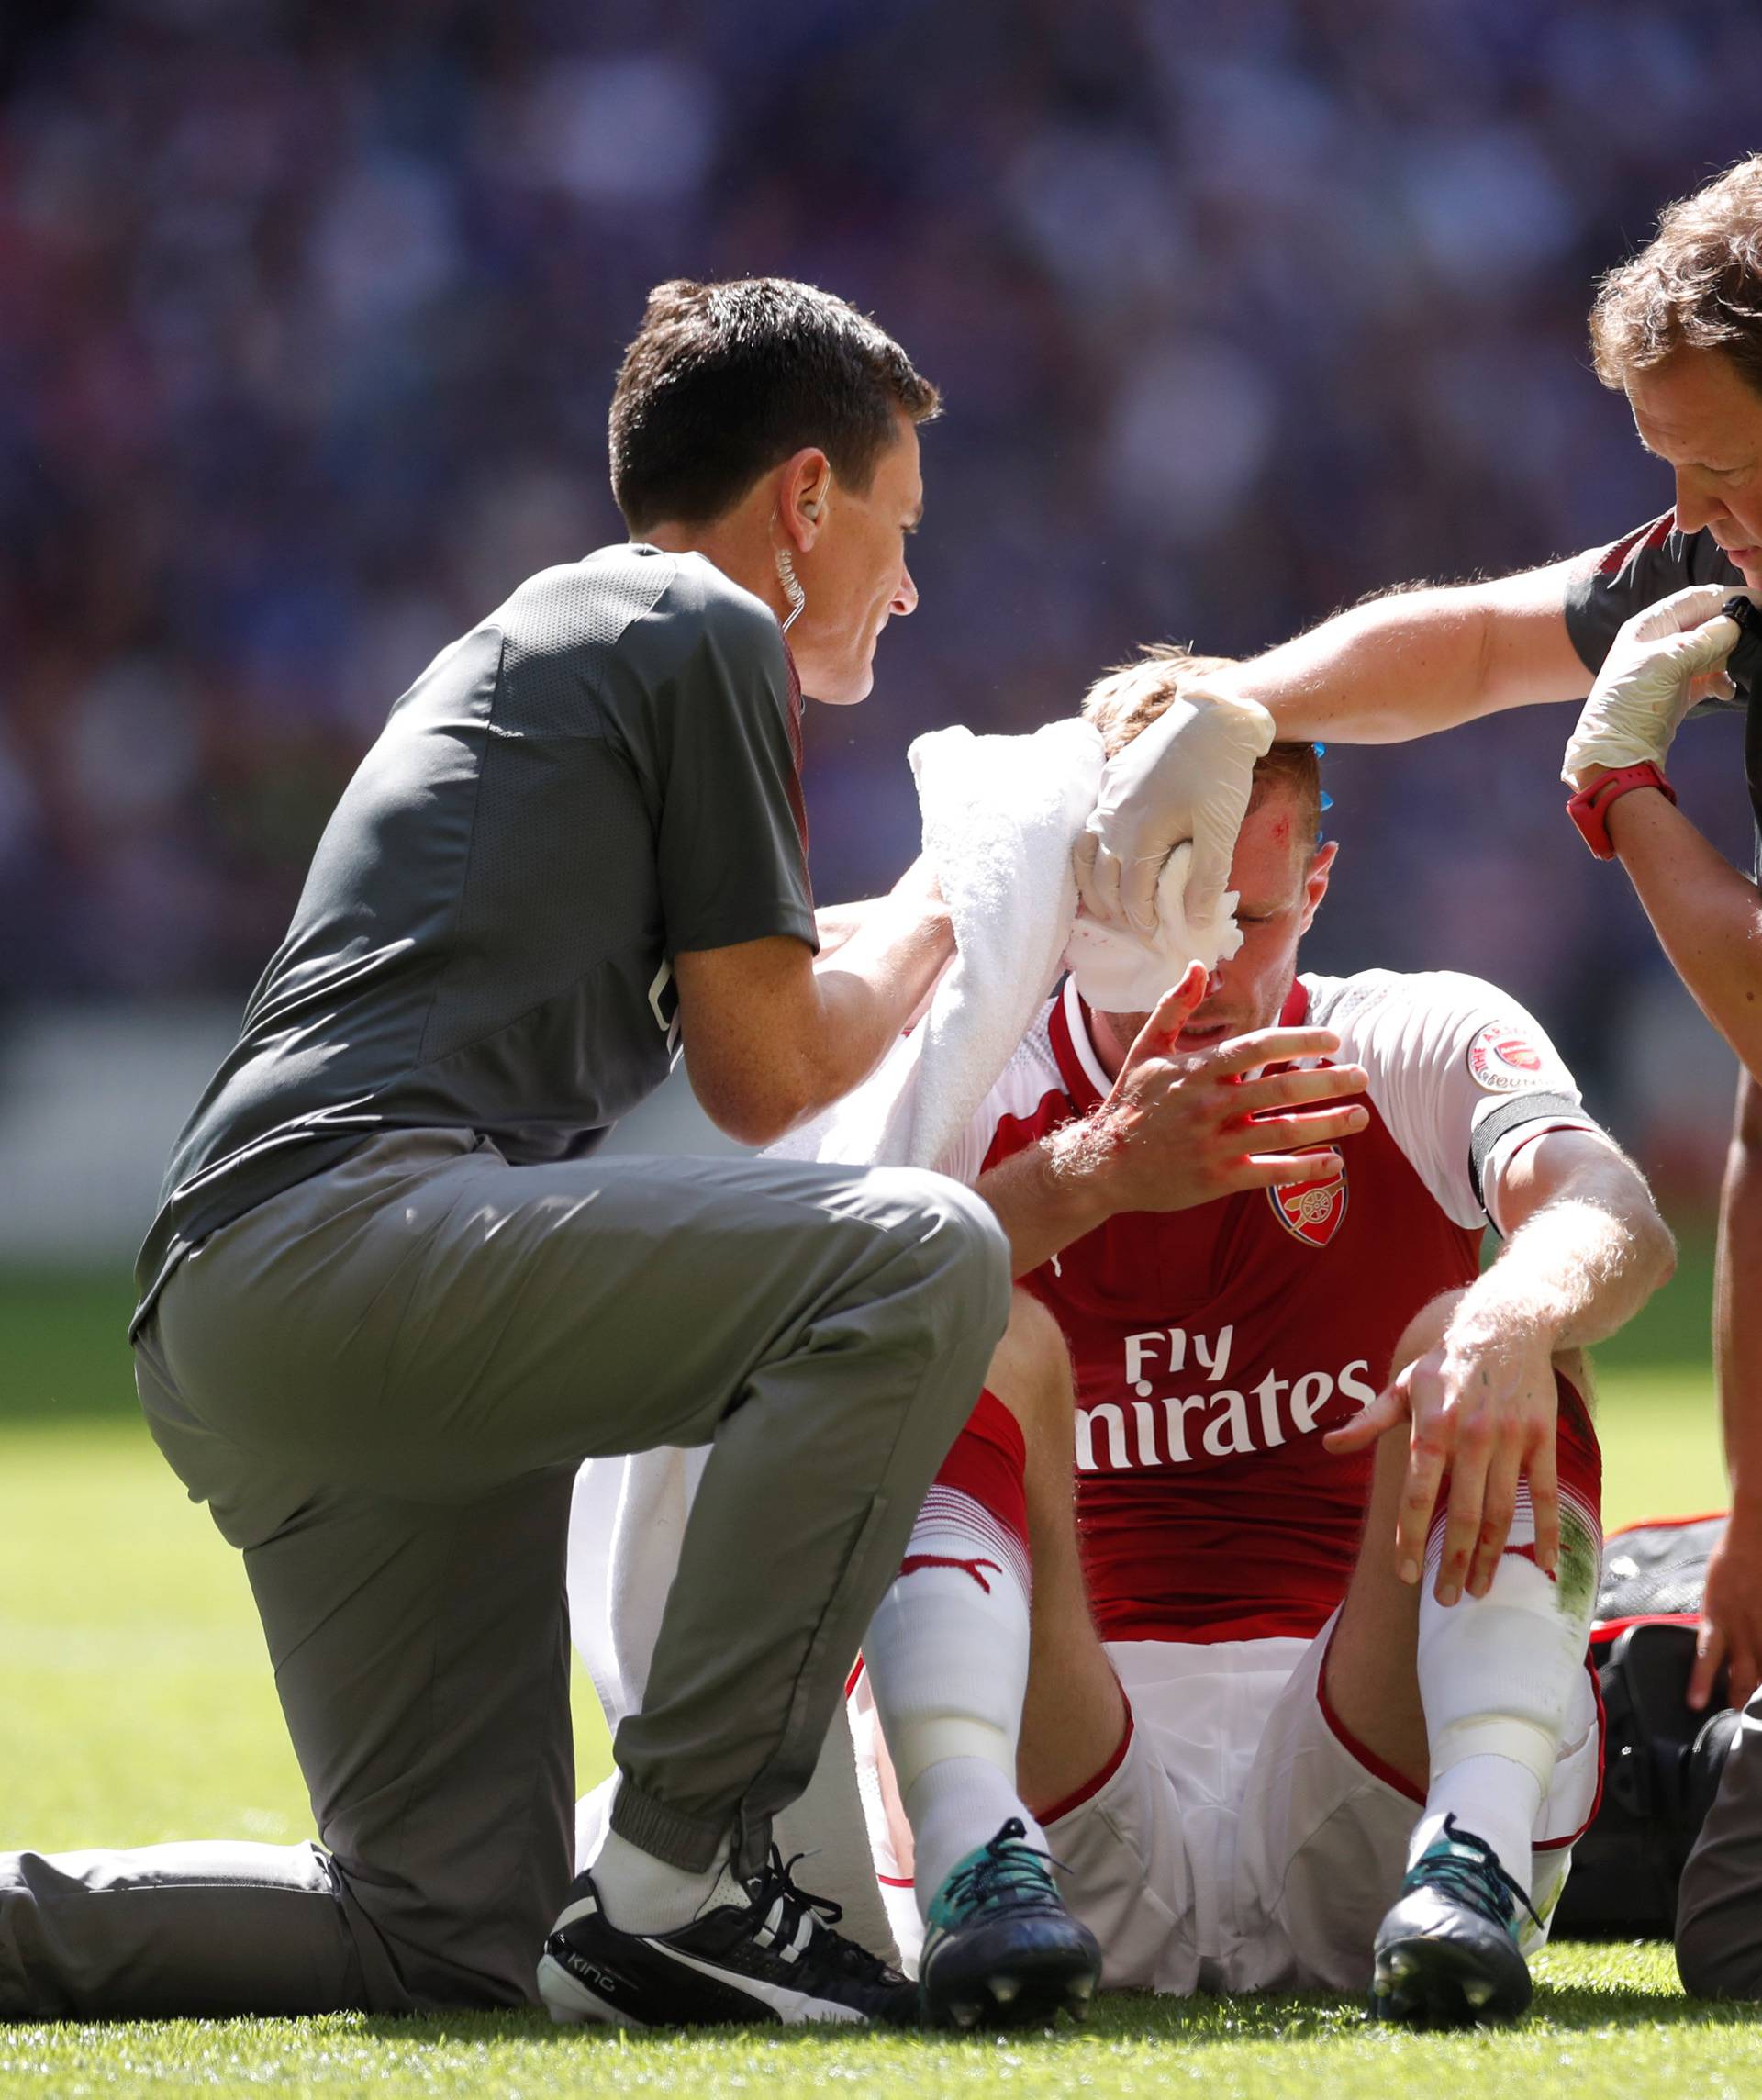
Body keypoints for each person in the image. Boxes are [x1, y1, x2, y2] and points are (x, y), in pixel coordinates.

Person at [0, 276, 1029, 2028]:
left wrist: (929, 918)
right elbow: (773, 1066)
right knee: (918, 1257)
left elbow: (758, 998)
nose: (911, 580)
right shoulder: (702, 620)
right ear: (803, 500)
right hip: (350, 1241)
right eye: (897, 522)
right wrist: (975, 891)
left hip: (256, 1292)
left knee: (444, 1930)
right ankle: (684, 1870)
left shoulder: (579, 636)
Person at [1070, 158, 1762, 1999]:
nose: (1701, 526)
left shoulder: (1421, 1033)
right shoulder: (1724, 562)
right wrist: (1235, 703)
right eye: (1673, 478)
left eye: (1729, 475)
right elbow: (1459, 645)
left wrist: (1623, 798)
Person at [850, 647, 1673, 2025]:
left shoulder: (1413, 1037)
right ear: (1086, 891)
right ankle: (971, 1855)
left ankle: (1472, 1854)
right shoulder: (969, 1072)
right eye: (1170, 916)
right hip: (1065, 1778)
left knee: (1493, 1319)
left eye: (1254, 918)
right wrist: (1096, 1174)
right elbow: (837, 1318)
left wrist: (1512, 1312)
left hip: (1375, 1770)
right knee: (953, 1313)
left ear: (1320, 892)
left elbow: (1619, 1217)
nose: (1213, 972)